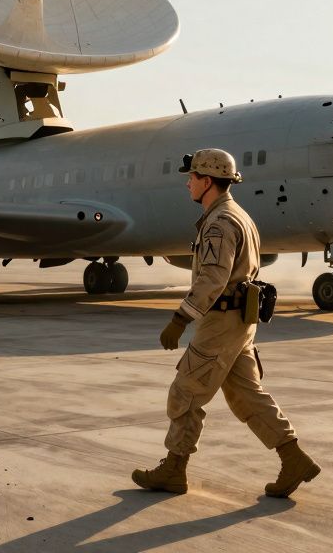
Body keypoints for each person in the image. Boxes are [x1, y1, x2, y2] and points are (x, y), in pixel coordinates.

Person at [132, 148, 320, 497]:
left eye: (192, 177)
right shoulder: (239, 216)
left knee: (186, 391)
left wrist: (180, 318)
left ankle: (174, 469)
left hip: (221, 322)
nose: (187, 183)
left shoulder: (220, 223)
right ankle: (293, 458)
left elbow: (213, 278)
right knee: (246, 395)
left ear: (207, 181)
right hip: (240, 320)